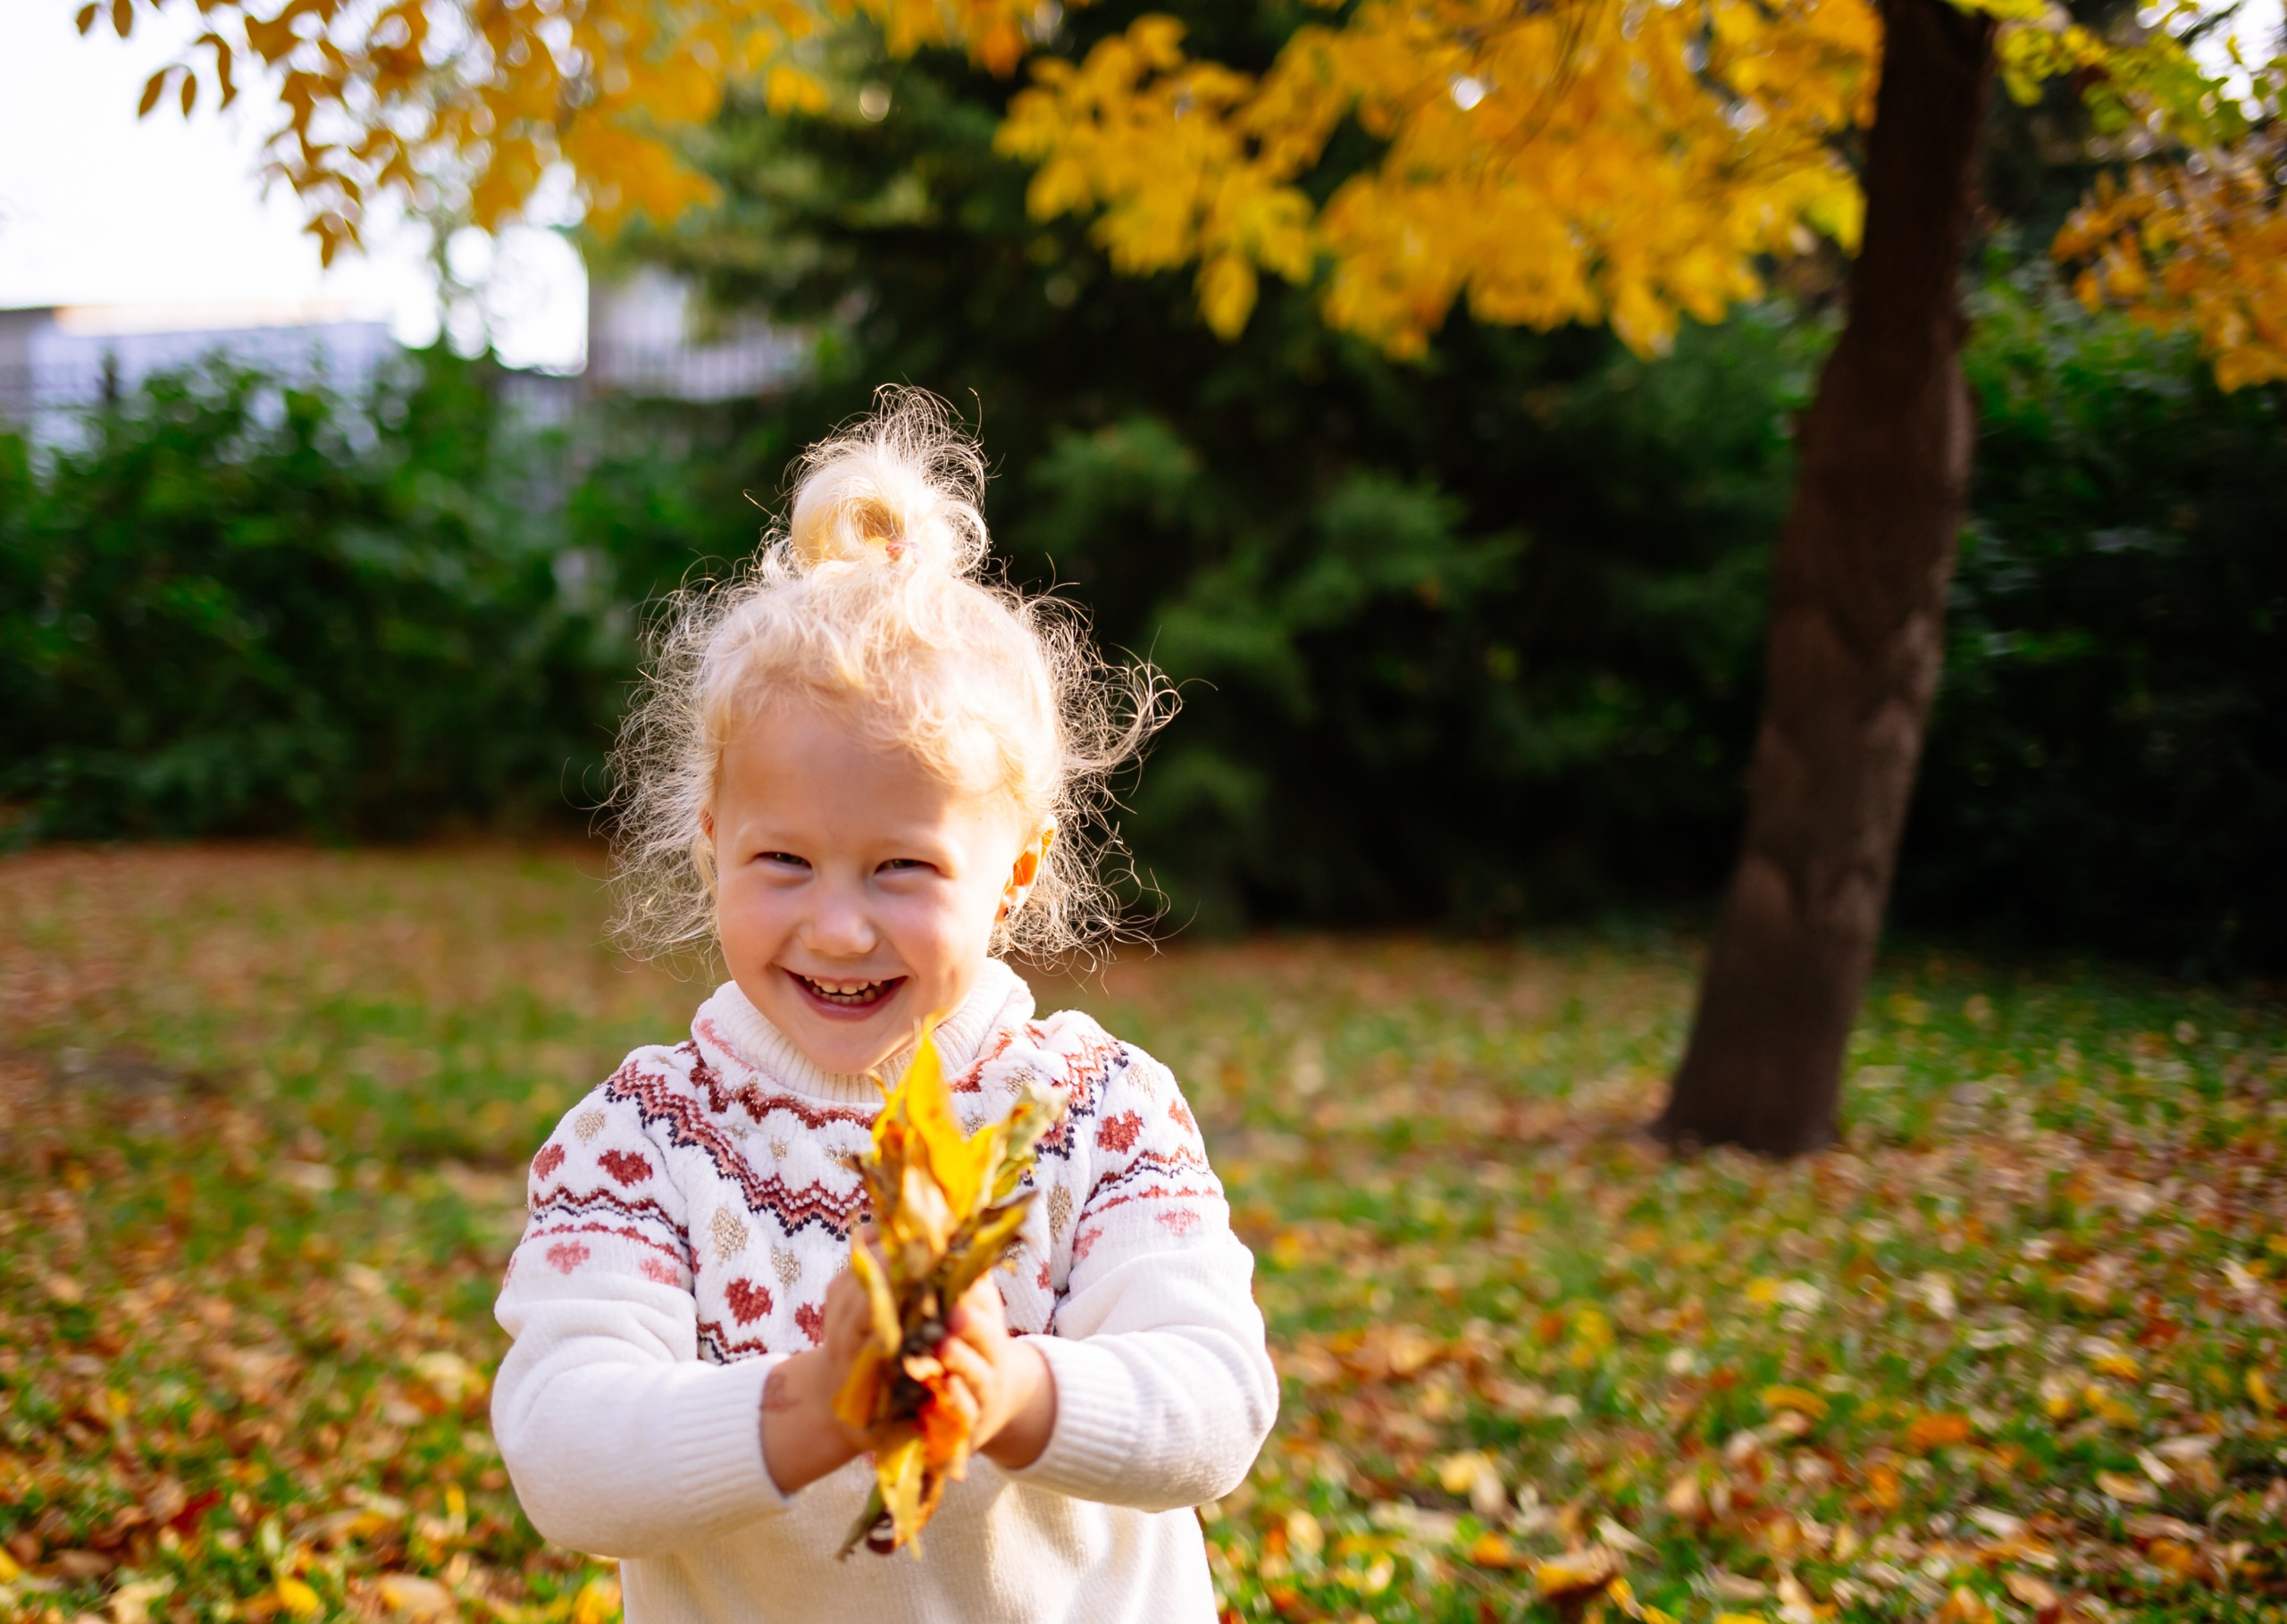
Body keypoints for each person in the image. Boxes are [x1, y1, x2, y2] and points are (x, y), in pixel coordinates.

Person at [490, 389, 1277, 1623]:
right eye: (783, 861)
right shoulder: (642, 1139)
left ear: (1016, 872)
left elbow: (1216, 1402)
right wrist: (815, 1404)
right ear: (711, 843)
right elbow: (564, 1453)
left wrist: (1007, 1391)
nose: (840, 926)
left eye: (902, 867)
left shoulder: (1098, 1113)